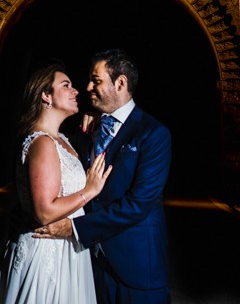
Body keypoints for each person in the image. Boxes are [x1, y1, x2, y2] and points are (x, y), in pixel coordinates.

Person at [34, 48, 172, 304]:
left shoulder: (153, 134)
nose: (87, 87)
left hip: (137, 268)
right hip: (89, 266)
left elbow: (138, 204)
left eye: (95, 80)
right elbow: (49, 169)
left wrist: (75, 228)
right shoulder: (87, 130)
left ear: (120, 83)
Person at [0, 63, 112, 304]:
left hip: (68, 249)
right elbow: (44, 212)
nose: (75, 91)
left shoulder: (62, 139)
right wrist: (89, 191)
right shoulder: (43, 143)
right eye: (66, 85)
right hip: (47, 252)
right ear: (45, 95)